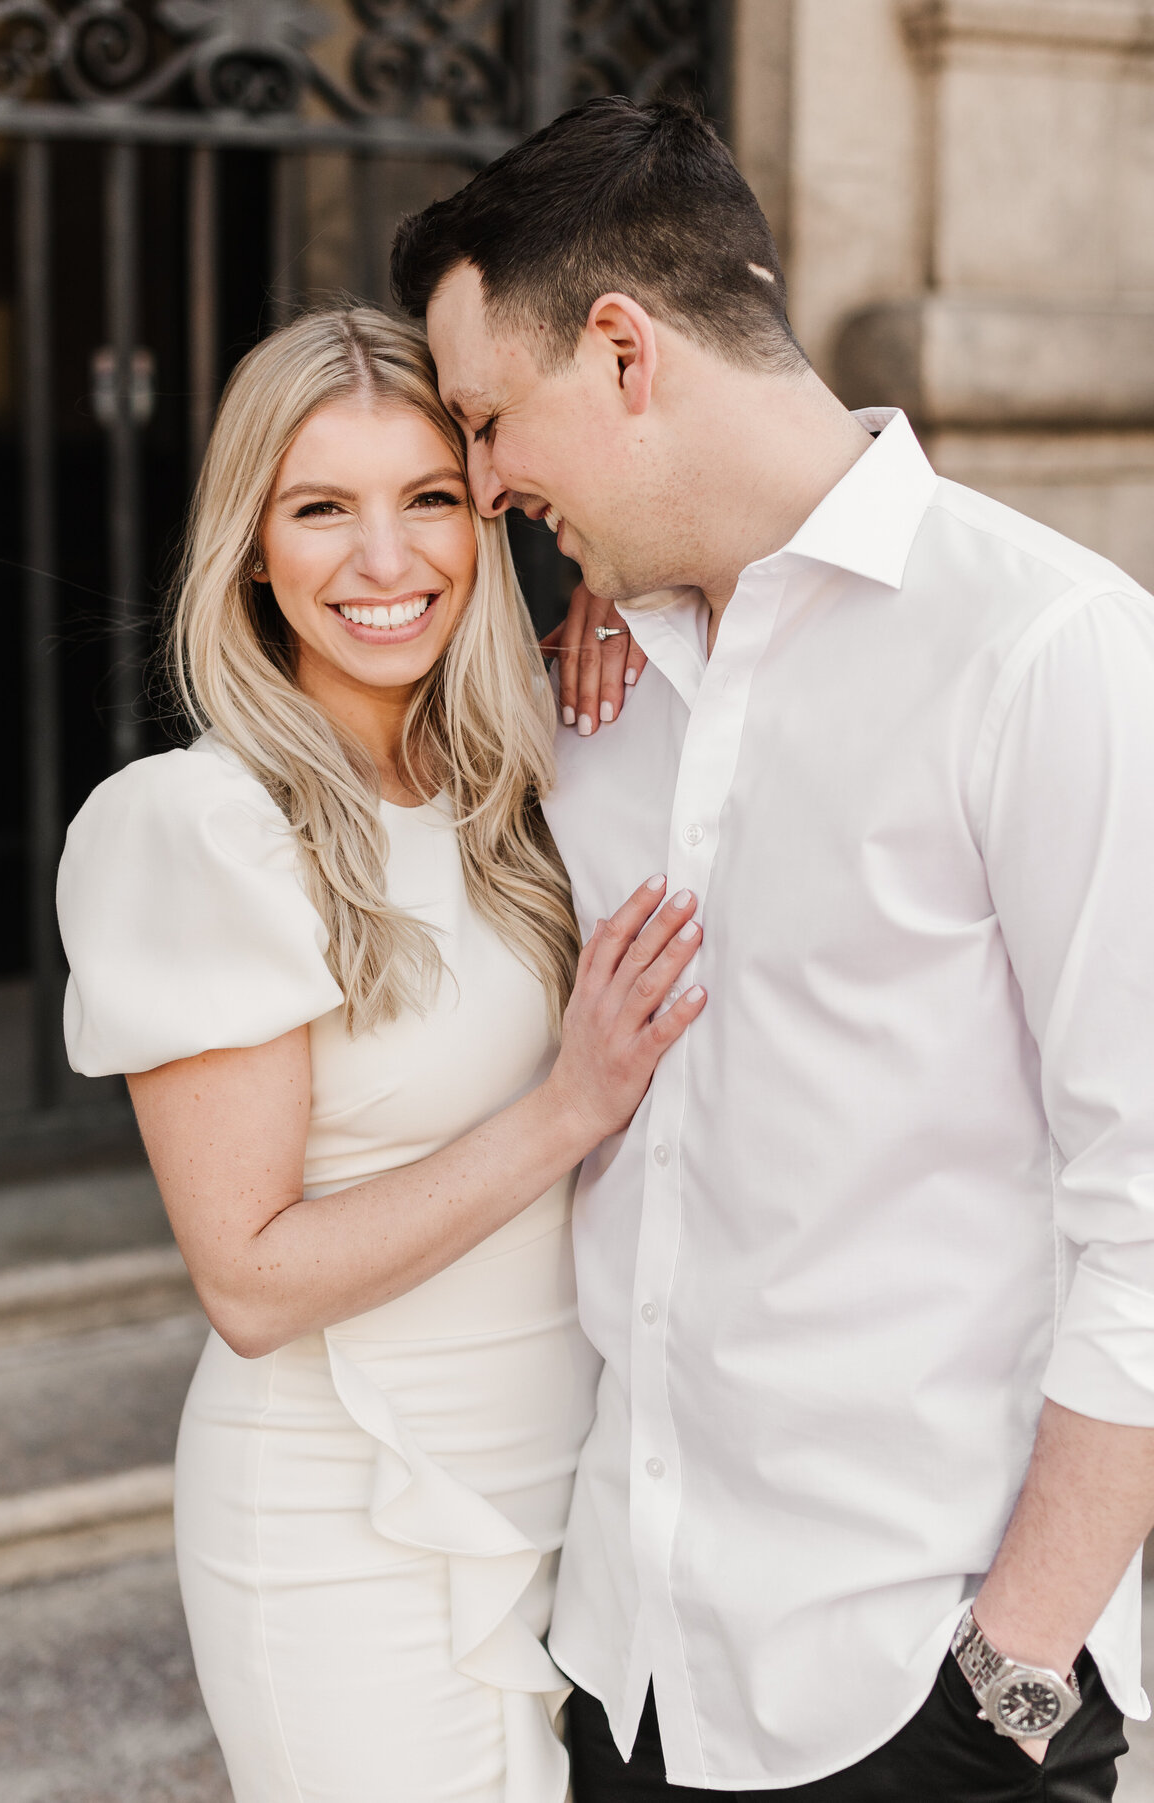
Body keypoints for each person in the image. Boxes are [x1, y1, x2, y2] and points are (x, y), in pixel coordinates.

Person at [391, 96, 1154, 1800]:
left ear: (623, 349)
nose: (489, 484)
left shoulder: (1047, 651)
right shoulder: (587, 681)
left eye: (494, 420)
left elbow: (1152, 1209)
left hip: (911, 1692)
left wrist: (1013, 1684)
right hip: (627, 1671)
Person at [55, 305, 709, 1803]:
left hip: (578, 1489)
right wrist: (567, 1112)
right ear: (250, 546)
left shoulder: (523, 774)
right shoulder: (202, 827)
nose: (386, 560)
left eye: (426, 498)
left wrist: (628, 594)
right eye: (320, 509)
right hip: (348, 1520)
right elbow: (250, 1281)